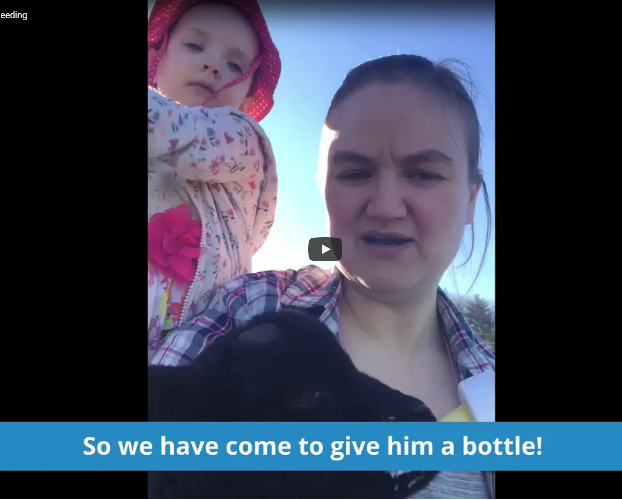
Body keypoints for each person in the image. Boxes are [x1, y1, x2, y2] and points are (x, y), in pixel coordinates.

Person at [151, 54, 496, 499]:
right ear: (323, 186)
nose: (386, 206)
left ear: (470, 200)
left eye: (423, 174)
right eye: (354, 173)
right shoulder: (245, 311)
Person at [147, 0, 281, 359]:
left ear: (247, 98)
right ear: (156, 60)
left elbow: (173, 132)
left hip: (197, 356)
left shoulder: (241, 139)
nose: (212, 64)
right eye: (194, 45)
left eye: (234, 64)